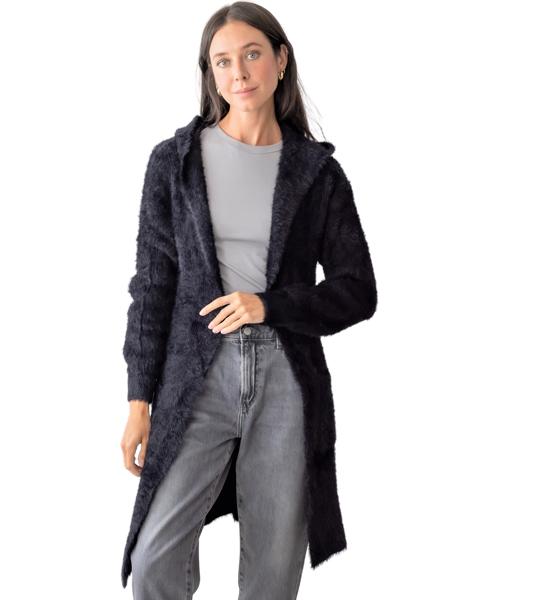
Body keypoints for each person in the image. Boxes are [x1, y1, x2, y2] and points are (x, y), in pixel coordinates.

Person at [120, 2, 378, 598]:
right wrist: (138, 401)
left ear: (281, 61)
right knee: (154, 557)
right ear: (210, 74)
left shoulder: (318, 174)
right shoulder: (175, 162)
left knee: (272, 573)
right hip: (195, 375)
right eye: (223, 61)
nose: (238, 72)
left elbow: (357, 290)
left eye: (252, 54)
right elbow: (152, 287)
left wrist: (270, 304)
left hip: (287, 379)